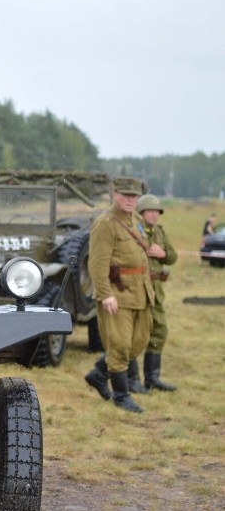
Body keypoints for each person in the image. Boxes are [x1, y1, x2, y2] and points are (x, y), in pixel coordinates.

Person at [84, 177, 155, 413]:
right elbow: (97, 263)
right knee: (120, 347)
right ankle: (121, 396)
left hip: (140, 293)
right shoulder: (106, 223)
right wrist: (105, 294)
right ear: (114, 194)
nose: (130, 200)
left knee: (139, 343)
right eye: (125, 195)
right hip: (117, 295)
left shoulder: (136, 220)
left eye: (134, 196)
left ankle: (98, 374)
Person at [126, 194, 178, 393]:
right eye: (150, 211)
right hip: (138, 289)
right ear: (140, 213)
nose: (154, 215)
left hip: (156, 291)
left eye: (157, 212)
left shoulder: (159, 232)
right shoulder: (134, 231)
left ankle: (152, 378)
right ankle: (131, 380)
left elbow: (173, 257)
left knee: (159, 331)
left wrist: (163, 254)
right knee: (136, 335)